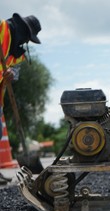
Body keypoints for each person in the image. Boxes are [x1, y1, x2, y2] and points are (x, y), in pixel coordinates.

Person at [0, 13, 41, 185]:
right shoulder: (2, 29)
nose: (25, 42)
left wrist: (9, 76)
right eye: (26, 37)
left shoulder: (17, 53)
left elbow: (14, 73)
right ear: (22, 30)